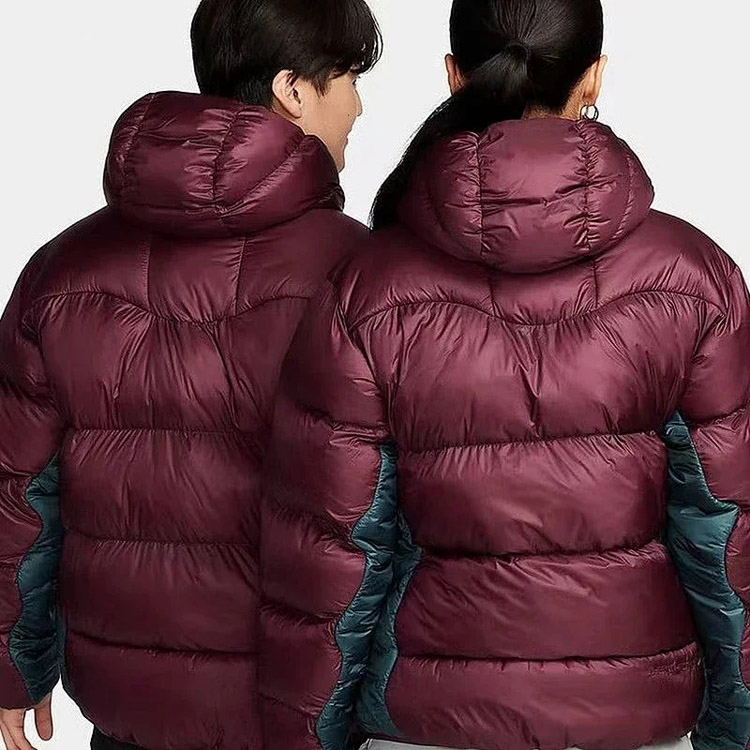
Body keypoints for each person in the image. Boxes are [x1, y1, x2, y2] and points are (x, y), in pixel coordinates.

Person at [258, 1, 750, 749]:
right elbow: (729, 545)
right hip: (632, 720)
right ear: (595, 77)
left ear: (455, 77)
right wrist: (731, 732)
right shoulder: (694, 279)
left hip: (427, 721)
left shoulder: (366, 289)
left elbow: (335, 554)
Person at [0, 1, 380, 749]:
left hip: (127, 712)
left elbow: (17, 488)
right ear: (293, 90)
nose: (358, 106)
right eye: (347, 79)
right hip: (297, 715)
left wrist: (15, 665)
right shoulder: (355, 272)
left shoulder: (60, 269)